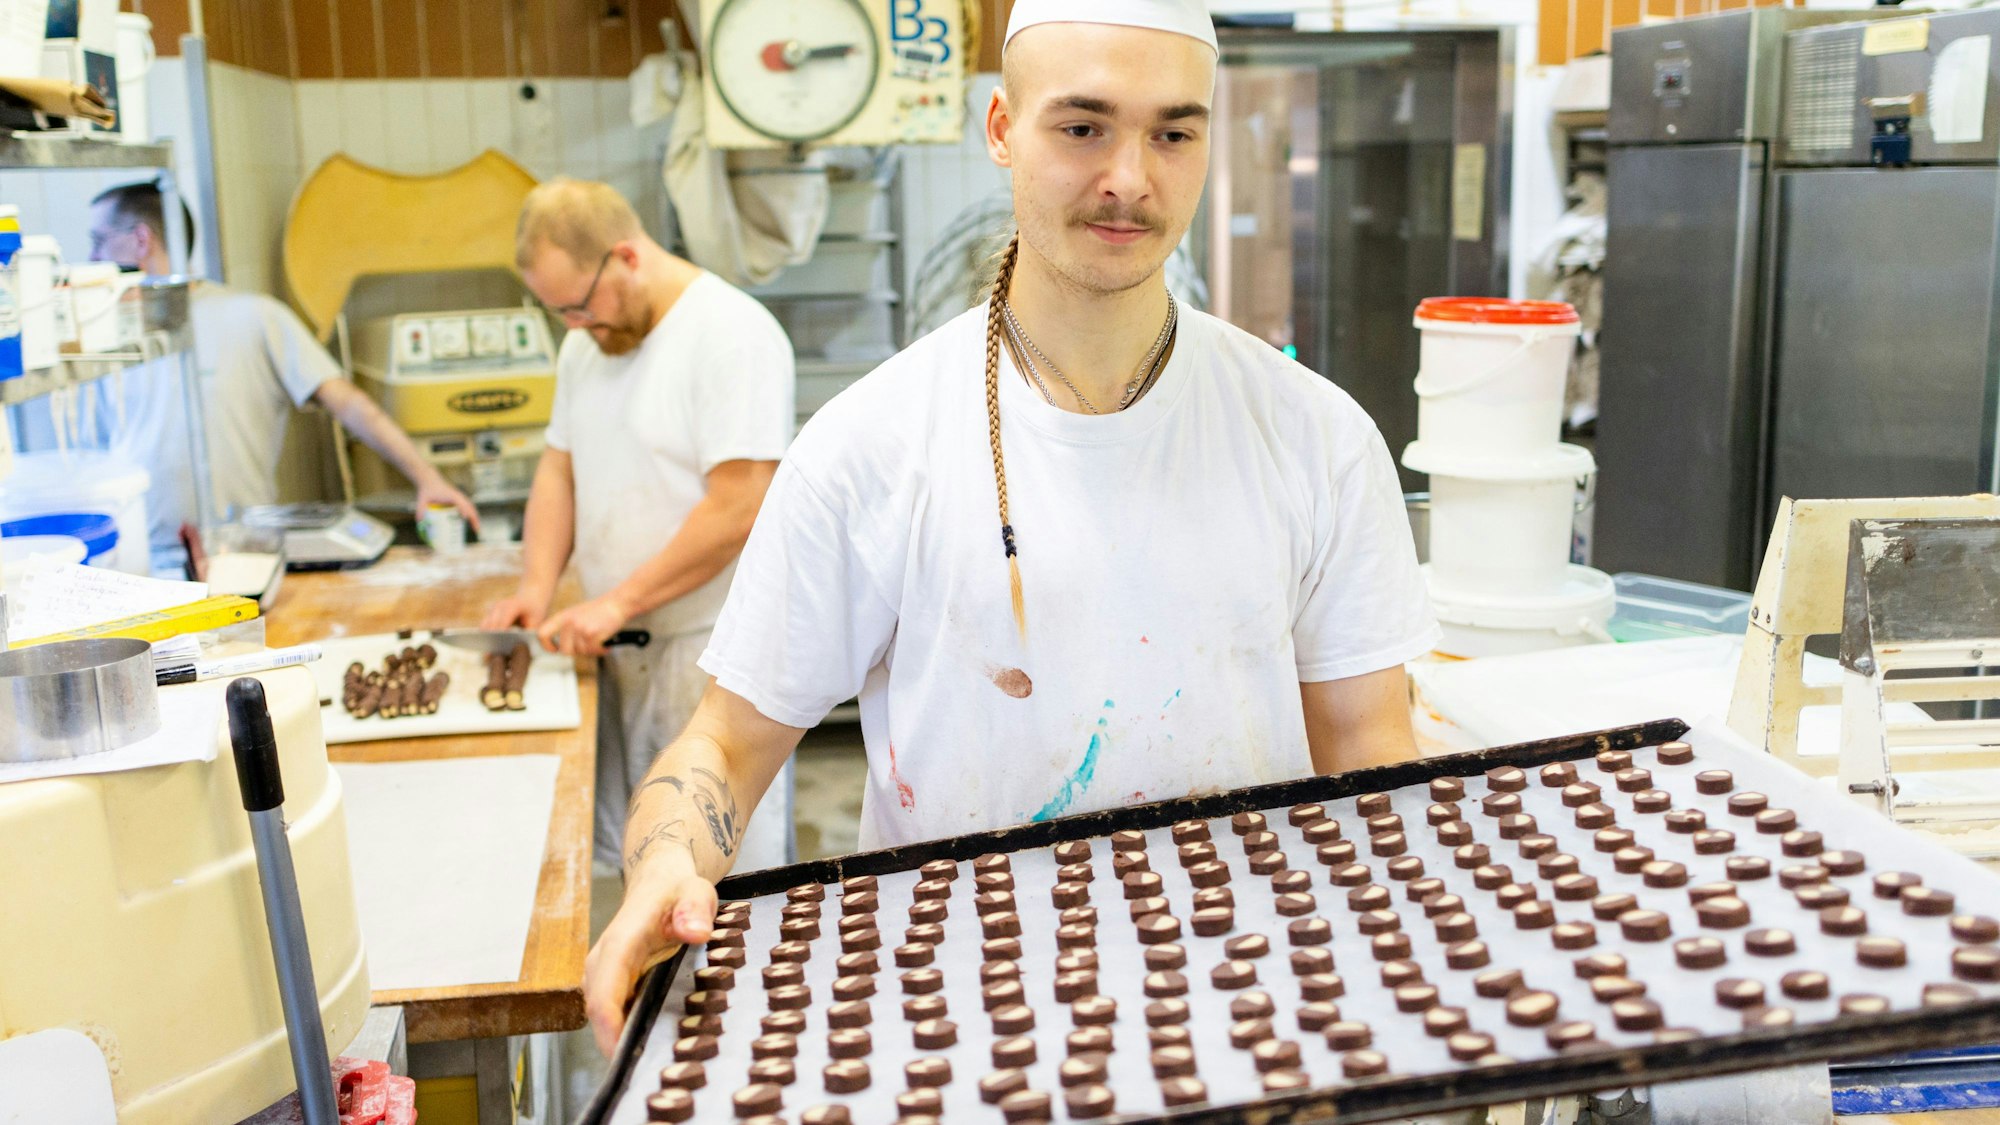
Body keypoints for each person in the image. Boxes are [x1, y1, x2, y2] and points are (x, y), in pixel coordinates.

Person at [581, 0, 1439, 1053]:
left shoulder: (1313, 436)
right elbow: (724, 742)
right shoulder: (869, 447)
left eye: (1172, 132)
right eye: (1082, 127)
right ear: (1000, 128)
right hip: (963, 1026)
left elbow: (1368, 754)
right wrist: (667, 858)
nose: (1129, 177)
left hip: (1246, 1014)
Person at [486, 178, 798, 874]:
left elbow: (739, 504)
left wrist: (618, 601)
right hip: (622, 650)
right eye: (558, 312)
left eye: (579, 304)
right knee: (641, 861)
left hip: (708, 658)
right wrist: (536, 586)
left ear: (626, 256)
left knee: (719, 872)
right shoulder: (588, 345)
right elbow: (559, 469)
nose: (574, 325)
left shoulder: (731, 335)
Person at [86, 181, 479, 556]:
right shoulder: (106, 341)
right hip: (139, 557)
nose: (92, 258)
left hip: (242, 549)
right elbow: (97, 458)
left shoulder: (253, 317)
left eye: (99, 241)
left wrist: (428, 478)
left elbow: (349, 404)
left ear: (141, 240)